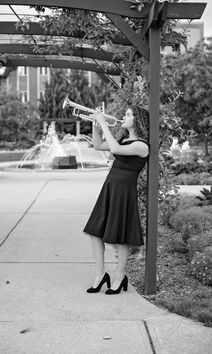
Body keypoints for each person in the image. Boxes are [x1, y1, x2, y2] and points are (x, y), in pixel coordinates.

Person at [83, 105, 149, 295]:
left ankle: (119, 277)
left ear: (138, 120)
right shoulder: (123, 139)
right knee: (94, 231)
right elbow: (98, 145)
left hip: (124, 192)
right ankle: (100, 274)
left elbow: (114, 148)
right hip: (110, 187)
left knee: (121, 236)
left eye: (128, 115)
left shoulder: (142, 145)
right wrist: (95, 124)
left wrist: (103, 121)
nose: (124, 116)